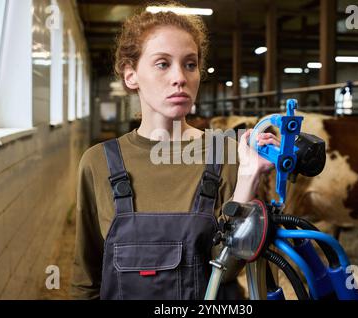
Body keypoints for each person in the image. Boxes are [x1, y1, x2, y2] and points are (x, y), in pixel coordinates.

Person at [70, 3, 279, 300]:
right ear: (131, 75)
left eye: (190, 64)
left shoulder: (229, 155)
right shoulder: (98, 162)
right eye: (162, 64)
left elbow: (229, 268)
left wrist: (248, 179)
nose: (180, 77)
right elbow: (86, 274)